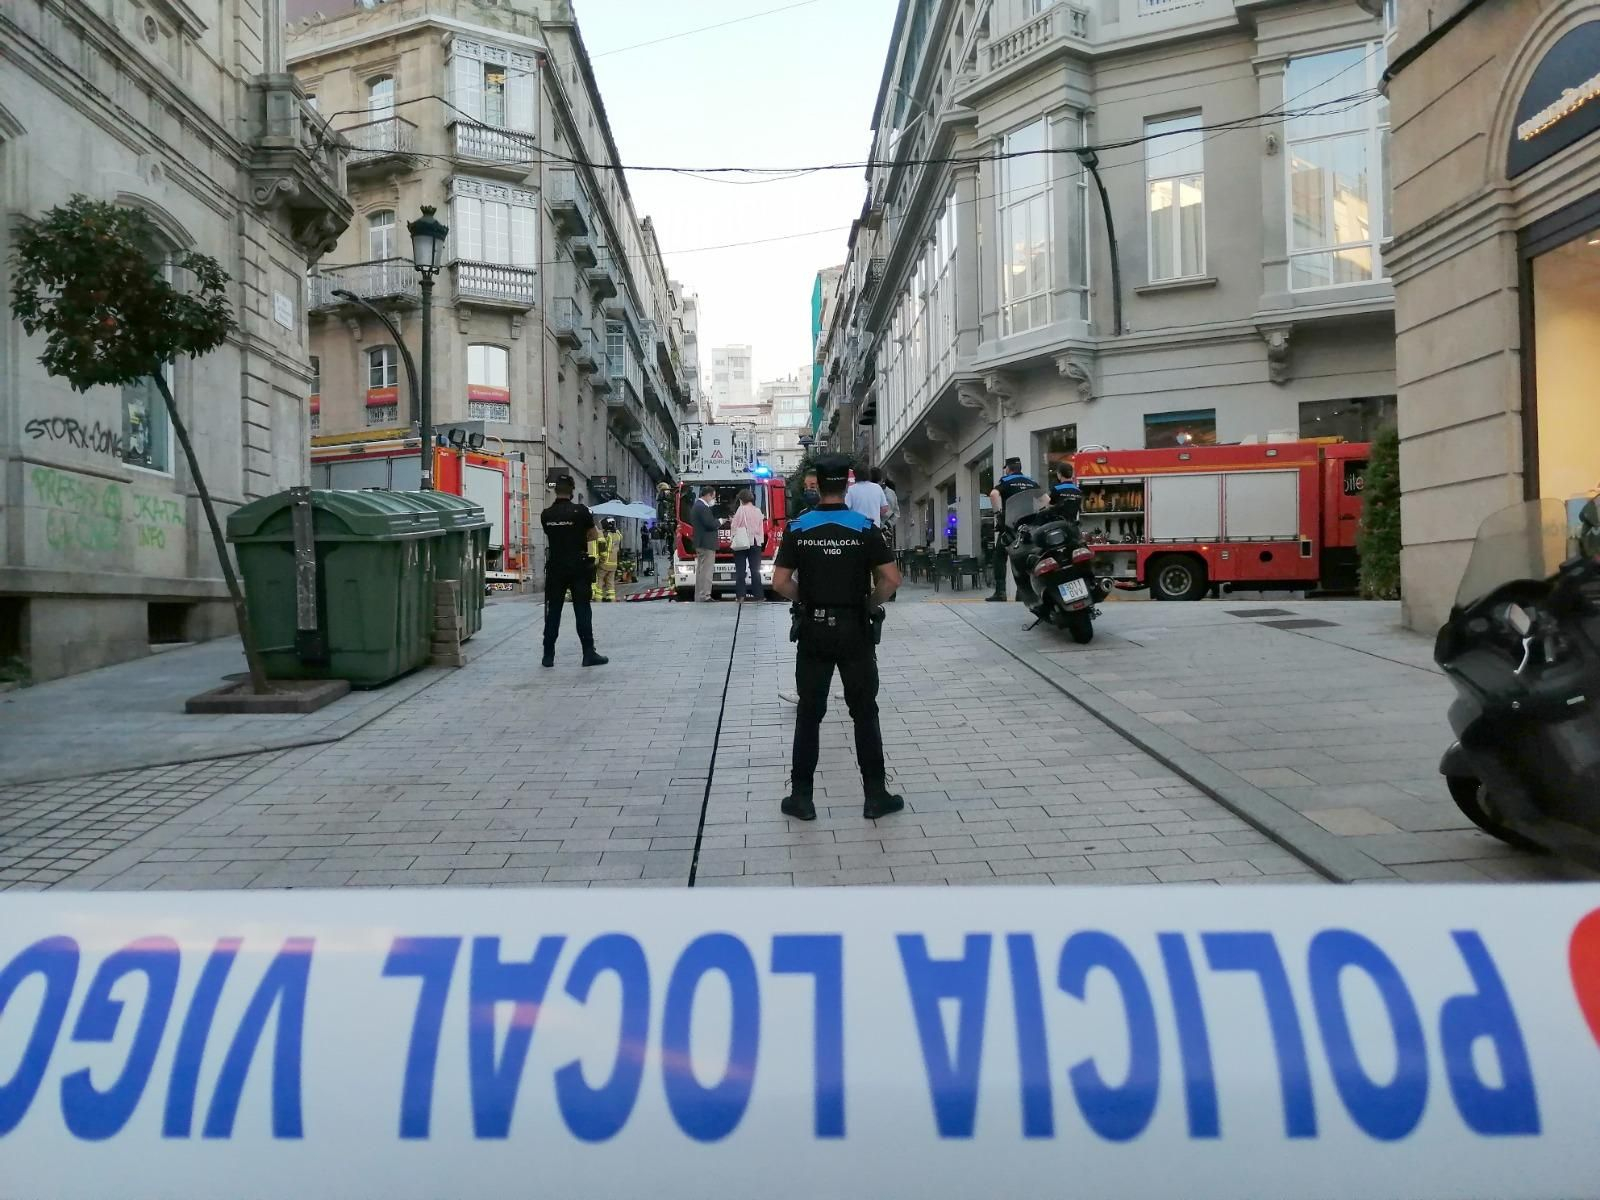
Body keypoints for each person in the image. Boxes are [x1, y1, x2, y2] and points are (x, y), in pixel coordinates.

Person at [772, 454, 904, 821]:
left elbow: (780, 582)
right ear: (846, 484)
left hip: (813, 630)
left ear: (816, 485)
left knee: (809, 714)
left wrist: (809, 598)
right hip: (854, 630)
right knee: (864, 713)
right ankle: (875, 796)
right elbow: (891, 580)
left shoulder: (798, 528)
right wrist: (867, 603)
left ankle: (802, 798)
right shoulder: (864, 527)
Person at [540, 475, 608, 668]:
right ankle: (588, 653)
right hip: (578, 566)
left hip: (556, 567)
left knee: (554, 611)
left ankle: (548, 655)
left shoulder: (547, 514)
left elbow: (551, 535)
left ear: (555, 490)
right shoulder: (581, 512)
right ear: (571, 490)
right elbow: (593, 535)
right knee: (582, 609)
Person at [987, 455, 1041, 602]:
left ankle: (1000, 592)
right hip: (1029, 528)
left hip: (1011, 527)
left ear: (1008, 469)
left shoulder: (1006, 481)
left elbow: (993, 494)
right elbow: (1045, 500)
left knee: (1000, 556)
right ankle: (1022, 592)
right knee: (1024, 559)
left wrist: (998, 514)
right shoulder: (1031, 482)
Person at [729, 488, 766, 603]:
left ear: (741, 499)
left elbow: (735, 526)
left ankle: (740, 596)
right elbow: (760, 528)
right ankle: (759, 595)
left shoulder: (741, 510)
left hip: (742, 542)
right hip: (756, 542)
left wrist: (732, 522)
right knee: (755, 570)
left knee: (740, 570)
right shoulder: (758, 511)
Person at [690, 485, 720, 601]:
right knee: (706, 571)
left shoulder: (697, 506)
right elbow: (710, 524)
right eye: (713, 496)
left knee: (701, 570)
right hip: (707, 544)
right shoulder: (702, 507)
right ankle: (705, 595)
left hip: (701, 542)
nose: (714, 499)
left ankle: (699, 595)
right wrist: (720, 521)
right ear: (708, 495)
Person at [592, 517, 621, 601]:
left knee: (599, 580)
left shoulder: (605, 534)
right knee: (610, 582)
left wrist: (601, 558)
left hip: (605, 562)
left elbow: (602, 546)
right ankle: (611, 598)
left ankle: (598, 598)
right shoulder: (618, 534)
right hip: (614, 563)